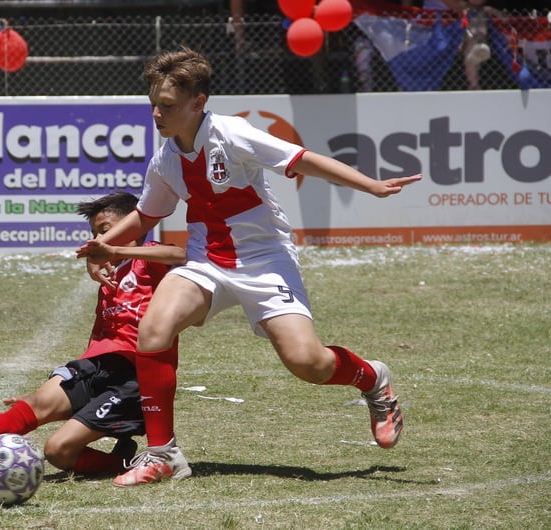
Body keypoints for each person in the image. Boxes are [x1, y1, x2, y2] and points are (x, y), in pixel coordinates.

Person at [77, 48, 420, 487]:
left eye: (167, 106)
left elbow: (301, 159)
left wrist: (369, 185)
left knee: (307, 363)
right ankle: (164, 454)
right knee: (154, 328)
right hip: (205, 261)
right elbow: (146, 215)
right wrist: (103, 246)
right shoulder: (164, 159)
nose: (157, 114)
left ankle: (372, 378)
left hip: (265, 261)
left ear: (197, 103)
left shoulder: (232, 133)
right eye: (153, 105)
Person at [0, 192, 188, 482]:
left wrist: (119, 251)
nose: (98, 238)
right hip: (97, 367)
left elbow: (180, 255)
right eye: (95, 232)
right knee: (36, 402)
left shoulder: (148, 259)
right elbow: (103, 334)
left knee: (58, 451)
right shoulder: (106, 274)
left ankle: (125, 462)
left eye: (105, 230)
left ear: (133, 224)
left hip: (135, 377)